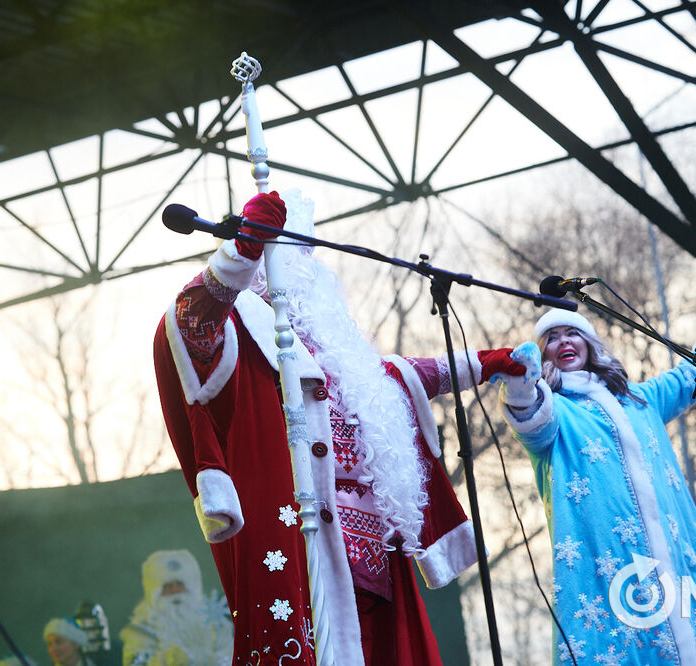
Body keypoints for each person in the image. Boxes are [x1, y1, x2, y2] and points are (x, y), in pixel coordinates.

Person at [153, 190, 526, 665]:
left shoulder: (343, 356)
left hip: (376, 568)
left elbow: (404, 375)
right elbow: (190, 327)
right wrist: (242, 249)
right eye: (291, 254)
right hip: (297, 545)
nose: (302, 266)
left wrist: (487, 364)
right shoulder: (241, 335)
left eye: (305, 255)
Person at [498, 278, 696, 664]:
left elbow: (690, 375)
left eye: (572, 333)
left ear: (590, 343)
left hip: (677, 559)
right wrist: (521, 388)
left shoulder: (638, 399)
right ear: (545, 355)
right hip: (614, 571)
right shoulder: (556, 411)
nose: (564, 342)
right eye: (553, 338)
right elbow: (531, 420)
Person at [119, 549, 232, 665]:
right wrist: (163, 661)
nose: (175, 591)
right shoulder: (140, 631)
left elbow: (231, 656)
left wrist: (211, 660)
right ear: (154, 592)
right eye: (167, 586)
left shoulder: (216, 623)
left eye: (180, 584)